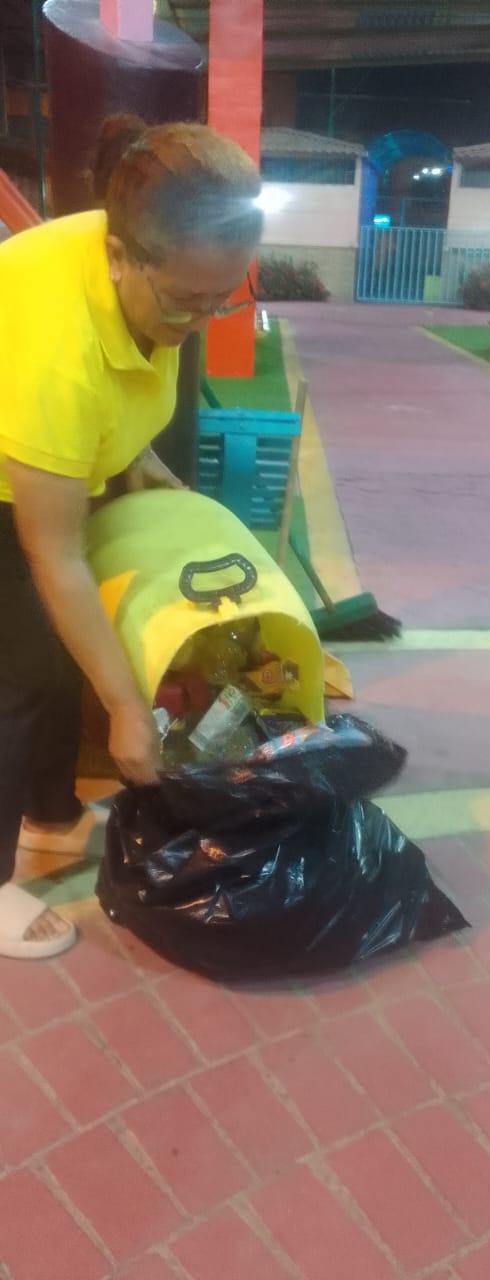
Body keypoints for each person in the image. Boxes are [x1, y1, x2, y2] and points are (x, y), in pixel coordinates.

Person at [0, 114, 263, 959]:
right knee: (15, 679)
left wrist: (140, 459)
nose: (201, 317)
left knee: (47, 655)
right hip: (14, 464)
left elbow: (124, 387)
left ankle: (48, 813)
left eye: (222, 299)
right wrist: (123, 709)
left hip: (36, 450)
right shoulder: (57, 358)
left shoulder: (154, 256)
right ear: (120, 258)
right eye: (185, 300)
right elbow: (53, 554)